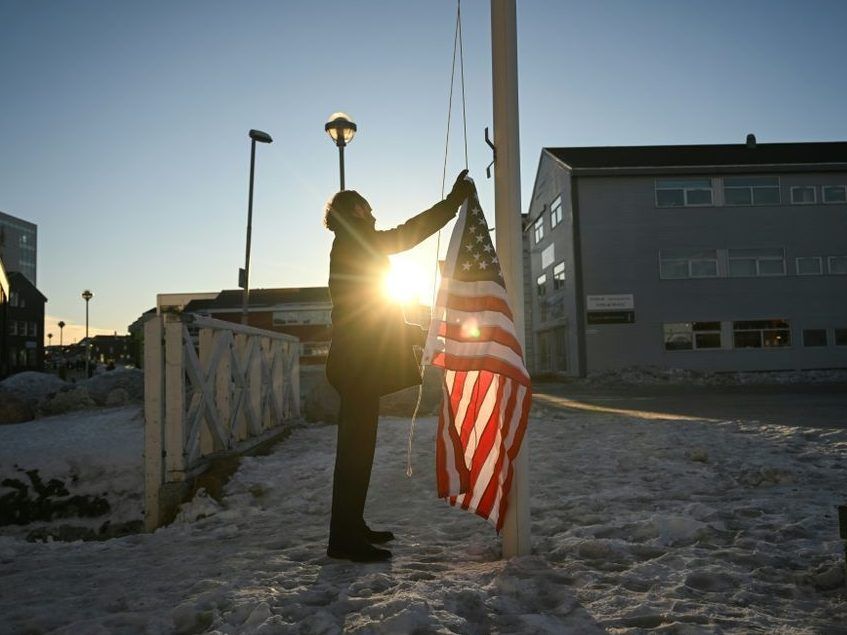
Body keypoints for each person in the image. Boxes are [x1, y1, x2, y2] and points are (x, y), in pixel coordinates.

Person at [324, 170, 473, 562]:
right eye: (367, 208)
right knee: (354, 455)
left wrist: (413, 332)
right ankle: (343, 540)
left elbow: (370, 311)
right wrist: (452, 202)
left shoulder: (353, 243)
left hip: (357, 365)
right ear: (355, 211)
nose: (373, 213)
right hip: (355, 367)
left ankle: (351, 526)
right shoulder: (355, 240)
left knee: (359, 453)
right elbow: (408, 234)